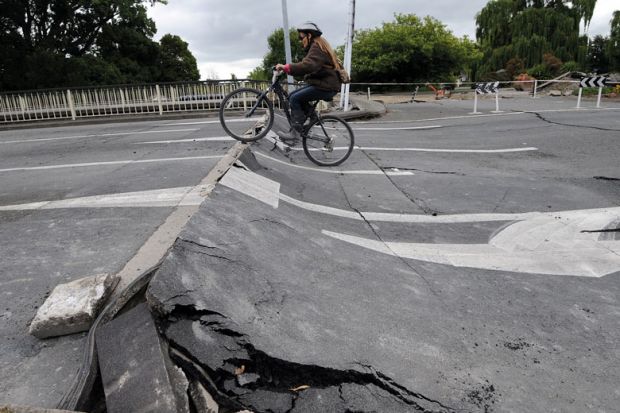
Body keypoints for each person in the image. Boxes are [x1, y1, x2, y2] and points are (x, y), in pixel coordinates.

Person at [275, 21, 342, 142]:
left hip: (327, 86)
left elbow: (308, 66)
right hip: (325, 85)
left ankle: (295, 131)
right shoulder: (318, 46)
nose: (301, 41)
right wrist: (291, 71)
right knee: (292, 96)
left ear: (309, 35)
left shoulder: (317, 46)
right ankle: (313, 118)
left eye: (301, 37)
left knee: (295, 98)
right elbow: (312, 68)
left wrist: (286, 67)